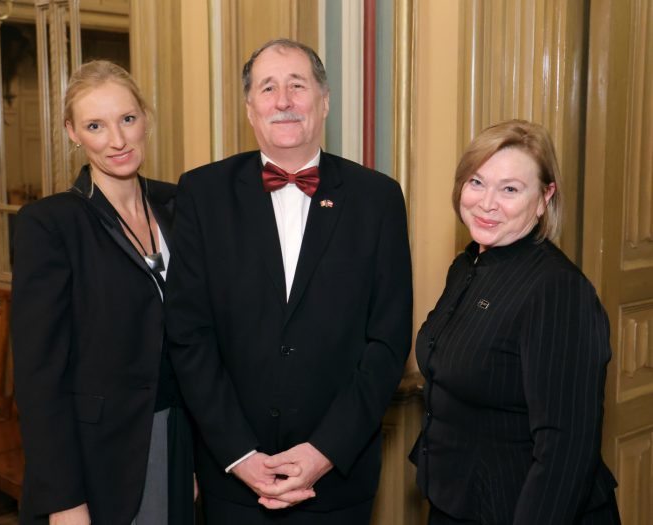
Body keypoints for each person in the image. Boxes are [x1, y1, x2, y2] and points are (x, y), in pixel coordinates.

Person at [165, 38, 413, 523]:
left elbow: (388, 341)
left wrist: (325, 451)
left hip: (338, 481)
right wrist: (239, 454)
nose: (283, 100)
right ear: (250, 108)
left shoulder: (378, 198)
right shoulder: (202, 192)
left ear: (324, 101)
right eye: (268, 88)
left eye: (297, 86)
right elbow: (188, 335)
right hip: (233, 481)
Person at [410, 119, 620, 524]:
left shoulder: (558, 290)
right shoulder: (467, 265)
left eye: (510, 189)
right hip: (460, 502)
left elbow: (565, 448)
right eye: (476, 182)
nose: (487, 203)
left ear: (544, 199)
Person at [11, 60, 193, 525]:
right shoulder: (50, 225)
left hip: (179, 438)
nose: (117, 140)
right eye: (95, 125)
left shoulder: (181, 205)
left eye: (127, 119)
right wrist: (63, 500)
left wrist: (200, 454)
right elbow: (39, 377)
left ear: (145, 118)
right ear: (72, 133)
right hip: (98, 458)